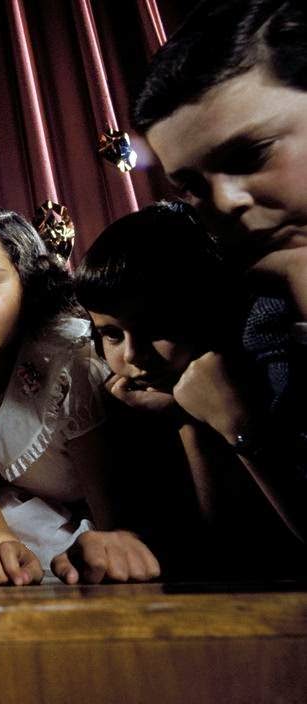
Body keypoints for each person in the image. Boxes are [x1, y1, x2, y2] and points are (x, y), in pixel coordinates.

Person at [134, 0, 307, 541]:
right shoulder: (260, 318)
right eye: (192, 186)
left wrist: (240, 428)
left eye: (251, 154)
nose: (225, 201)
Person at [0, 207, 161, 585]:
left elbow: (114, 520)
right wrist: (1, 537)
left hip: (101, 525)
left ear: (28, 284)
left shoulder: (71, 357)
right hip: (13, 512)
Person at [75, 202, 304, 575]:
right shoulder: (128, 396)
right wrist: (187, 418)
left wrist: (236, 425)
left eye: (156, 326)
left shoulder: (265, 343)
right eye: (111, 334)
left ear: (203, 311)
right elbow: (214, 554)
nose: (133, 355)